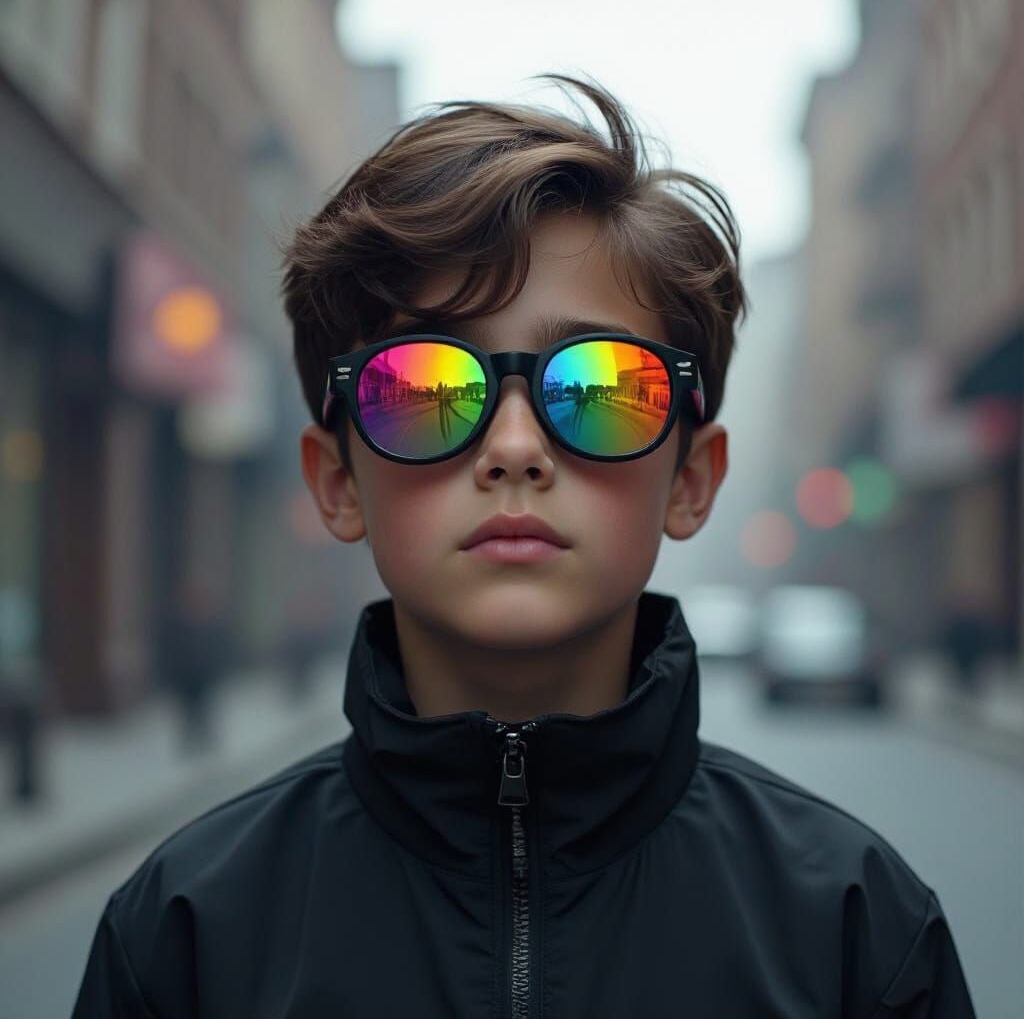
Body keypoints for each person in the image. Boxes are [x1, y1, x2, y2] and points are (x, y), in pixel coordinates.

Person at [72, 75, 976, 1017]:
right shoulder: (184, 935)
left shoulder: (857, 929)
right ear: (339, 483)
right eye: (425, 388)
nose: (513, 448)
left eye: (597, 387)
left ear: (691, 479)